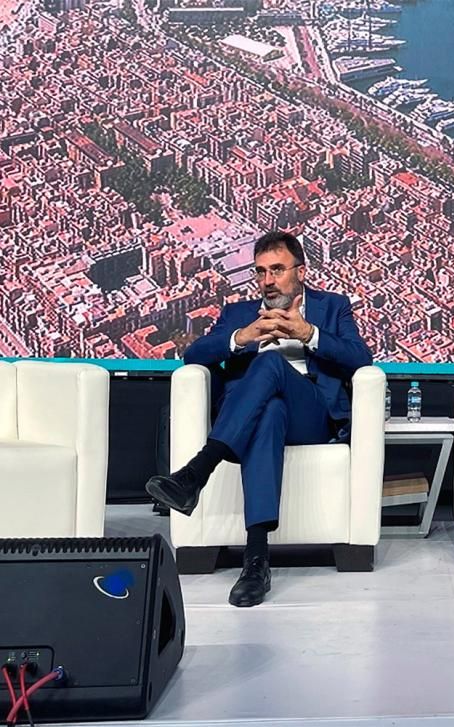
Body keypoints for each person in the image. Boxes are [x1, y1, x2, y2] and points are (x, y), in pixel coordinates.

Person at [146, 231, 373, 607]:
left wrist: (308, 333)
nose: (268, 281)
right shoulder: (237, 313)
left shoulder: (333, 306)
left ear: (300, 271)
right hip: (255, 419)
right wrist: (241, 336)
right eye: (261, 272)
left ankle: (198, 471)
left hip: (311, 415)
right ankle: (256, 562)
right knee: (269, 412)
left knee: (271, 363)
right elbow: (193, 356)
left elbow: (360, 358)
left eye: (278, 270)